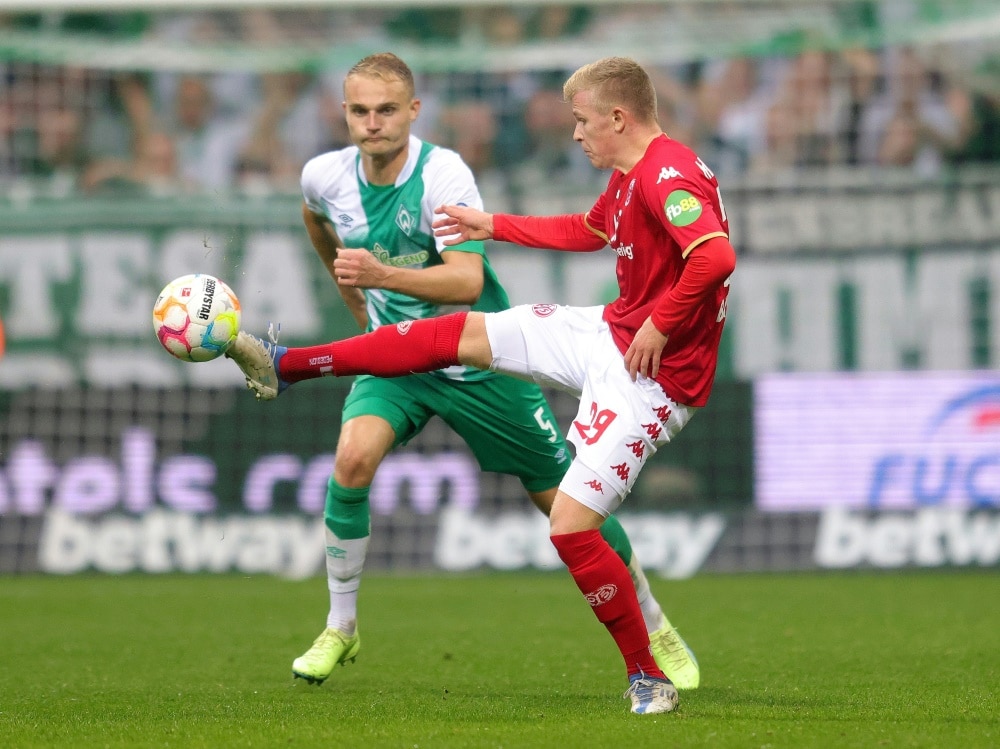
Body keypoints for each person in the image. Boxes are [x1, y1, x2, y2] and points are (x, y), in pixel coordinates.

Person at [226, 53, 700, 711]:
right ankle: (341, 625)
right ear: (344, 113)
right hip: (397, 360)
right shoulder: (323, 176)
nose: (372, 123)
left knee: (564, 507)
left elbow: (468, 283)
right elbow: (318, 220)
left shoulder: (445, 173)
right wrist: (359, 294)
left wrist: (379, 277)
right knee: (352, 457)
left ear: (412, 112)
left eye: (386, 110)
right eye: (359, 111)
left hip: (484, 370)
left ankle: (653, 621)